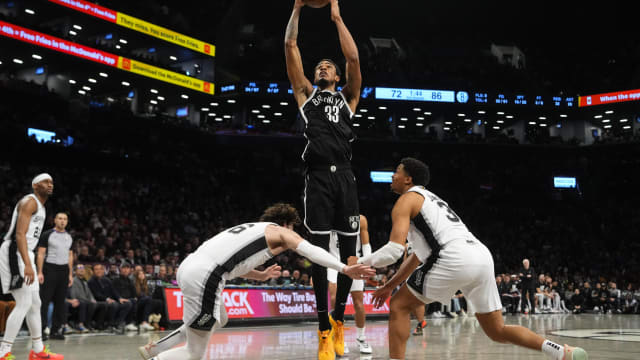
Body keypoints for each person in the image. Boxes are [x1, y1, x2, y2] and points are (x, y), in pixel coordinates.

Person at [362, 158, 586, 360]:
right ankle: (560, 352)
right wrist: (389, 286)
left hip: (453, 256)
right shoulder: (432, 200)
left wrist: (357, 264)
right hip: (480, 255)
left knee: (400, 306)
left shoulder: (406, 199)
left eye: (397, 172)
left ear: (408, 179)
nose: (393, 176)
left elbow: (393, 251)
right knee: (497, 331)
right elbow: (415, 257)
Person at [138, 203, 374, 360]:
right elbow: (310, 250)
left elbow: (234, 264)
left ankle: (155, 349)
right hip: (206, 276)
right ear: (286, 224)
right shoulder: (280, 231)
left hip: (192, 267)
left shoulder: (251, 229)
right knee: (194, 353)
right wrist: (344, 268)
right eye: (293, 229)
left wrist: (259, 276)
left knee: (219, 318)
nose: (292, 235)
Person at [285, 0, 362, 358]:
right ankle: (322, 330)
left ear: (337, 76)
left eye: (328, 66)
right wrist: (298, 7)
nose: (322, 68)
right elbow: (290, 46)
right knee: (317, 254)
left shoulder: (348, 97)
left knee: (349, 257)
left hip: (345, 178)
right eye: (318, 66)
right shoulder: (305, 97)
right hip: (316, 179)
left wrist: (336, 15)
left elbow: (354, 60)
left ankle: (339, 320)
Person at [0, 173, 63, 359]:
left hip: (26, 253)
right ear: (35, 186)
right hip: (14, 252)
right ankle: (3, 351)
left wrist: (29, 260)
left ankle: (38, 350)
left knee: (36, 304)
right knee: (24, 302)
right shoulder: (30, 202)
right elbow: (19, 234)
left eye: (52, 182)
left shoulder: (41, 206)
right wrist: (28, 264)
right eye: (45, 181)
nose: (50, 184)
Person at [327, 215, 372, 354]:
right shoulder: (327, 218)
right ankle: (339, 337)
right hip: (333, 263)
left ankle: (361, 338)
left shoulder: (361, 219)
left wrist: (366, 263)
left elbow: (366, 246)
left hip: (353, 263)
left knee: (358, 304)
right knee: (335, 299)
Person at [37, 212, 74, 340]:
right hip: (50, 268)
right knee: (44, 301)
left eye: (65, 219)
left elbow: (70, 255)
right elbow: (41, 254)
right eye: (60, 218)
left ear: (67, 221)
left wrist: (70, 274)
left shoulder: (69, 237)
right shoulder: (47, 234)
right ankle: (40, 331)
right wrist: (40, 272)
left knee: (60, 302)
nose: (62, 221)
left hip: (64, 270)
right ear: (55, 220)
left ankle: (55, 331)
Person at [88, 264, 134, 334]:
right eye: (96, 269)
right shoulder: (91, 281)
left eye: (100, 269)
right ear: (93, 271)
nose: (99, 271)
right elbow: (96, 294)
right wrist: (107, 299)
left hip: (111, 300)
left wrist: (119, 298)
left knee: (128, 303)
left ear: (103, 270)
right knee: (114, 305)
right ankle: (109, 325)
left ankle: (117, 323)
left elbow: (113, 290)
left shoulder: (106, 280)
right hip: (100, 301)